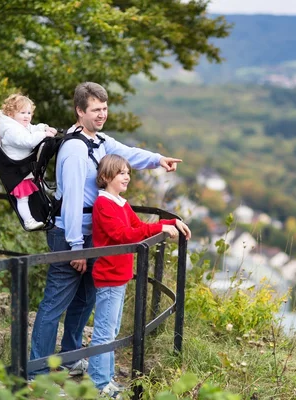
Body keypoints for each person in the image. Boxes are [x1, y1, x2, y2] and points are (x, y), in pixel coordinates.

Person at [29, 82, 182, 379]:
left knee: (85, 299)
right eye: (95, 110)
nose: (102, 115)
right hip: (71, 235)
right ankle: (36, 370)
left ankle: (71, 358)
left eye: (104, 109)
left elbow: (127, 153)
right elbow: (72, 200)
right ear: (79, 111)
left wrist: (157, 160)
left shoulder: (98, 140)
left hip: (93, 235)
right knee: (55, 302)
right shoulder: (75, 149)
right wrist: (76, 248)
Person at [88, 154, 191, 396]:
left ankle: (106, 380)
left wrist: (171, 223)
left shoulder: (120, 203)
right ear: (105, 177)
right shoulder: (104, 204)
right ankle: (99, 384)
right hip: (109, 276)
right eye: (121, 172)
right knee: (104, 332)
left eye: (128, 172)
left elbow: (137, 227)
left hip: (120, 275)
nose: (127, 176)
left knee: (111, 332)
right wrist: (161, 227)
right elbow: (124, 234)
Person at [0, 94, 58, 230]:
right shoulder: (11, 130)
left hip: (24, 168)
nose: (27, 116)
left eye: (29, 113)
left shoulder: (20, 126)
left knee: (29, 195)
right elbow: (27, 141)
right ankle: (28, 221)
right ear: (11, 113)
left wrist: (44, 128)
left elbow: (32, 128)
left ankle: (40, 213)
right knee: (22, 198)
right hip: (17, 170)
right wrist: (44, 135)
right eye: (22, 113)